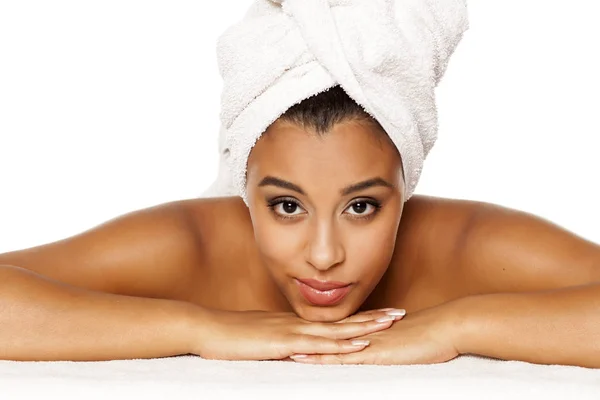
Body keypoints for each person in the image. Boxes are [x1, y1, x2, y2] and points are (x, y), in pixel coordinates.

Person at [1, 0, 599, 367]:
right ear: (244, 182)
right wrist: (201, 328)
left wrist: (460, 325)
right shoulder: (197, 244)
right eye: (286, 205)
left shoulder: (461, 244)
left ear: (405, 183)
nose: (324, 255)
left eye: (362, 205)